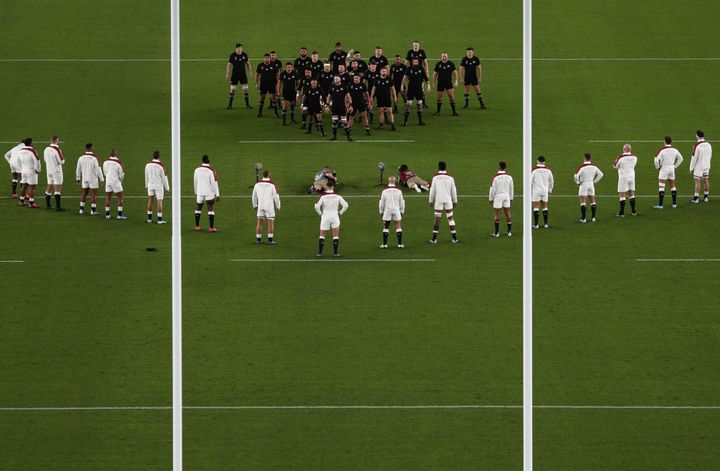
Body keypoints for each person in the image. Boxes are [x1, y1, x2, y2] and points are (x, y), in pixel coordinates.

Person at [314, 179, 348, 257]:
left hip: (325, 216)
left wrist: (320, 214)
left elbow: (316, 206)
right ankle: (335, 253)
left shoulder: (322, 196)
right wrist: (340, 213)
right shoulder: (338, 196)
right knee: (335, 235)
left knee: (322, 235)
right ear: (333, 186)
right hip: (335, 216)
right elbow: (346, 205)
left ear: (327, 186)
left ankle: (319, 253)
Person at [428, 161, 459, 243]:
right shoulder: (450, 177)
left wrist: (431, 200)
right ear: (445, 167)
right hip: (448, 200)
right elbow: (453, 190)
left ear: (438, 167)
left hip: (438, 200)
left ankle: (434, 239)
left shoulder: (435, 177)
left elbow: (432, 190)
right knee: (450, 218)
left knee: (437, 219)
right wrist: (455, 201)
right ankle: (454, 238)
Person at [652, 136, 683, 208]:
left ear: (664, 141)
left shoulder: (662, 150)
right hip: (671, 168)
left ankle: (660, 205)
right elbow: (681, 159)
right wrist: (675, 166)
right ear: (671, 142)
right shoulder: (675, 150)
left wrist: (657, 167)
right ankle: (674, 204)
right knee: (673, 186)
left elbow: (656, 160)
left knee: (661, 186)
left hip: (664, 169)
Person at [252, 169, 281, 244]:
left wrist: (255, 205)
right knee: (270, 222)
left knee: (259, 222)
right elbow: (276, 197)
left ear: (262, 175)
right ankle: (270, 240)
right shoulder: (272, 185)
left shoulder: (257, 184)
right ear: (269, 175)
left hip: (260, 206)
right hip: (269, 206)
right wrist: (278, 206)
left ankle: (258, 240)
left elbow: (254, 196)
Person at [193, 154, 220, 232]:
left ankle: (197, 226)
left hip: (200, 192)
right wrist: (217, 194)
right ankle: (211, 228)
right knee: (210, 208)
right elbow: (214, 183)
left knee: (198, 207)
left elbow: (195, 181)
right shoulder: (211, 170)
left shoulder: (197, 170)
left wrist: (196, 191)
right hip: (209, 192)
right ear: (208, 160)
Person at [574, 153, 603, 222]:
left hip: (583, 185)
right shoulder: (594, 166)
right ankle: (593, 218)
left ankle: (583, 218)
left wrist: (578, 183)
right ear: (590, 158)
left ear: (584, 158)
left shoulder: (582, 167)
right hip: (591, 184)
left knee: (583, 202)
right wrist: (594, 181)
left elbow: (575, 176)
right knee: (593, 201)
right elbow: (601, 174)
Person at [75, 143, 104, 215]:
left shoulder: (81, 158)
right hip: (93, 178)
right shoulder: (94, 158)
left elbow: (78, 169)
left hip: (85, 178)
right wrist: (101, 179)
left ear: (85, 148)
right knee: (94, 194)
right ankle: (93, 211)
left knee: (84, 193)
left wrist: (78, 178)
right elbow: (98, 169)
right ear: (91, 148)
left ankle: (81, 210)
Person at [379, 176, 405, 248]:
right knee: (398, 226)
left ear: (388, 181)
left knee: (386, 227)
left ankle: (384, 244)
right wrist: (402, 211)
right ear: (395, 181)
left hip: (387, 210)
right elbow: (402, 203)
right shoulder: (399, 191)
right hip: (396, 210)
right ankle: (400, 244)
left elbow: (381, 203)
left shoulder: (384, 191)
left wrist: (381, 212)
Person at [489, 161, 514, 237]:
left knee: (497, 214)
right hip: (506, 195)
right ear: (505, 167)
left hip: (498, 196)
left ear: (499, 167)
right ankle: (509, 232)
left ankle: (497, 233)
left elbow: (493, 188)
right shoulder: (509, 177)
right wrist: (511, 197)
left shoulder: (496, 177)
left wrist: (491, 198)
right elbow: (511, 188)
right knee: (508, 213)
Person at [145, 150, 170, 224]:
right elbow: (164, 178)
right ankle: (159, 220)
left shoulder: (148, 165)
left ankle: (149, 219)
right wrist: (167, 188)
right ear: (159, 156)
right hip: (158, 186)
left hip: (150, 185)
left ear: (153, 156)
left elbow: (146, 175)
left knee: (150, 200)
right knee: (159, 202)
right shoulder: (161, 166)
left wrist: (146, 185)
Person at [403, 57, 429, 126]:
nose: (415, 63)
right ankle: (405, 122)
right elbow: (405, 77)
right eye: (414, 62)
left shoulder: (421, 68)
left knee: (419, 104)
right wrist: (402, 85)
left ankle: (420, 121)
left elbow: (425, 78)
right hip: (411, 89)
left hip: (419, 89)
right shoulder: (409, 69)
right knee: (408, 105)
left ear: (418, 62)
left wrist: (428, 85)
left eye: (416, 62)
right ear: (412, 62)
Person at [613, 144, 638, 217]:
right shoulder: (635, 157)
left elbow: (615, 166)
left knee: (622, 194)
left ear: (624, 149)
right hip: (632, 177)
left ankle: (622, 212)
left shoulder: (621, 158)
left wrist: (616, 159)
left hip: (623, 178)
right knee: (631, 193)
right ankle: (634, 211)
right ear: (630, 149)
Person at [225, 43, 252, 109]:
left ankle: (247, 105)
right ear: (236, 49)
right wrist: (227, 74)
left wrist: (250, 72)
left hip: (243, 75)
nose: (239, 50)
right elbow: (229, 65)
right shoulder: (232, 55)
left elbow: (248, 63)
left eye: (240, 48)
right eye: (238, 48)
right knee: (232, 90)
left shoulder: (244, 55)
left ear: (242, 49)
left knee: (245, 89)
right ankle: (230, 105)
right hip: (235, 75)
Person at [327, 75, 353, 141]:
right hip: (334, 106)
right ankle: (334, 136)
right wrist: (327, 105)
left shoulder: (344, 86)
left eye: (337, 79)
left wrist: (350, 105)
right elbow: (329, 96)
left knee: (344, 121)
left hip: (342, 106)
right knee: (334, 121)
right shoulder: (331, 86)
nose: (336, 80)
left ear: (340, 79)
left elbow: (348, 96)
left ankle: (348, 136)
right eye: (335, 79)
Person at [43, 135, 66, 211]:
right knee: (57, 189)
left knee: (49, 186)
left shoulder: (46, 149)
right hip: (56, 171)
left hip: (48, 171)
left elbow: (45, 160)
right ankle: (58, 207)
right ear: (57, 140)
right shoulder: (57, 149)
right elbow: (62, 161)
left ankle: (48, 205)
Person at [689, 130, 712, 203]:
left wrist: (691, 168)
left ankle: (696, 199)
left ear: (697, 136)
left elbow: (694, 157)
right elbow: (710, 155)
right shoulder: (708, 144)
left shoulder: (696, 145)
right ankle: (706, 198)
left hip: (699, 167)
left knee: (697, 181)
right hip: (707, 165)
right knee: (706, 180)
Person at [102, 149, 126, 220]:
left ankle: (107, 215)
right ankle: (119, 215)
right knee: (120, 198)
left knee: (108, 198)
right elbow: (121, 174)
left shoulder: (105, 162)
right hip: (116, 181)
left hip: (108, 181)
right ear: (116, 154)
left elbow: (105, 172)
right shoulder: (119, 163)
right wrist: (120, 181)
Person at [530, 156, 553, 228]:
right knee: (545, 206)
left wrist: (530, 191)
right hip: (544, 190)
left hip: (536, 190)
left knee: (536, 206)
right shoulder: (548, 170)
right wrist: (550, 189)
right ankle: (546, 224)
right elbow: (551, 181)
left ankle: (536, 224)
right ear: (544, 162)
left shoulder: (534, 170)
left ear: (537, 161)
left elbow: (530, 181)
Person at [17, 139, 41, 208]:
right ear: (30, 143)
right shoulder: (32, 151)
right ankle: (31, 203)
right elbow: (37, 161)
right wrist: (38, 170)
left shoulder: (20, 151)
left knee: (23, 187)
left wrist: (21, 168)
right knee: (32, 188)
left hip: (23, 171)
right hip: (31, 171)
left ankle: (21, 201)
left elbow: (17, 161)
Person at [255, 53, 279, 118]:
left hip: (272, 84)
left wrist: (277, 84)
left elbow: (277, 75)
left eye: (268, 58)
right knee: (262, 98)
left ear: (269, 58)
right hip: (263, 85)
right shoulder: (260, 65)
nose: (267, 59)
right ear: (263, 58)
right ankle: (260, 112)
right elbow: (257, 75)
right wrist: (256, 83)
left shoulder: (274, 65)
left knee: (273, 98)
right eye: (265, 58)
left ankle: (276, 113)